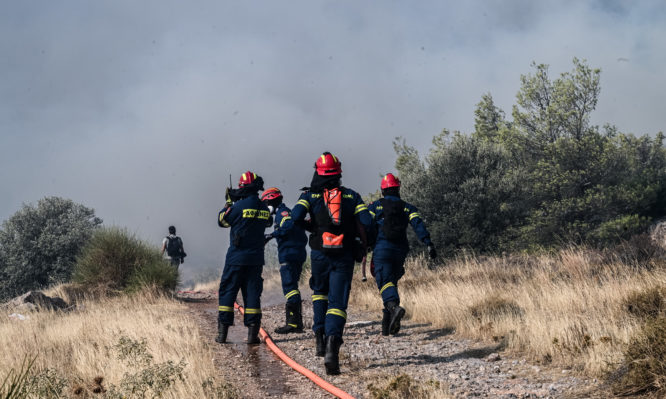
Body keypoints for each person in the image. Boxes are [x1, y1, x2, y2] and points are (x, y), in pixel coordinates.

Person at [286, 152, 373, 375]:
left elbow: (295, 217)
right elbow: (367, 221)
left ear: (318, 172)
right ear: (339, 173)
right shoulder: (353, 196)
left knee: (319, 293)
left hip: (319, 255)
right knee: (337, 302)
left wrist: (313, 228)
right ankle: (333, 347)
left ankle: (319, 339)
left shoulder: (309, 196)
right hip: (343, 255)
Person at [367, 173, 437, 336]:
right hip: (400, 250)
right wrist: (428, 243)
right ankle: (388, 324)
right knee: (391, 281)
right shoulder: (408, 207)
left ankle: (394, 308)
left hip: (382, 248)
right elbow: (418, 224)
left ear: (383, 190)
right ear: (398, 188)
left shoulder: (376, 206)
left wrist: (363, 244)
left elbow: (366, 225)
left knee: (384, 280)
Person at [216, 171, 271, 345]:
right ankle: (252, 335)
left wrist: (229, 203)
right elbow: (268, 222)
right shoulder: (263, 208)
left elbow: (222, 221)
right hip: (255, 260)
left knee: (227, 293)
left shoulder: (237, 207)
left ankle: (222, 334)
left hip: (236, 259)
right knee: (253, 295)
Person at [261, 187, 308, 334]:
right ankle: (296, 323)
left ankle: (293, 324)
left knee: (289, 288)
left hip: (289, 254)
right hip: (296, 253)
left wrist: (271, 235)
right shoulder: (283, 213)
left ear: (270, 200)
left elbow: (288, 225)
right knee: (292, 287)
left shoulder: (283, 213)